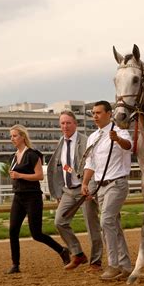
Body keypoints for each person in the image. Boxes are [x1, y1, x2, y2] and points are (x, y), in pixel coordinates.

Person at [6, 124, 69, 274]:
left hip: (32, 197)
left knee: (36, 234)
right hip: (18, 197)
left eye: (14, 136)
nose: (12, 139)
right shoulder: (14, 156)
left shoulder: (33, 154)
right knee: (13, 230)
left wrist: (20, 175)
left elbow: (39, 176)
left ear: (22, 137)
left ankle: (62, 251)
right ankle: (15, 264)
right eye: (11, 136)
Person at [81, 100, 133, 281]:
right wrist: (85, 183)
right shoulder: (93, 137)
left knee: (106, 221)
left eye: (98, 113)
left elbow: (129, 146)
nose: (95, 116)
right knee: (113, 225)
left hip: (117, 183)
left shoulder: (120, 132)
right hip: (101, 187)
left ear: (109, 114)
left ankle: (113, 264)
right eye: (93, 113)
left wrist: (117, 139)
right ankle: (125, 265)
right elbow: (90, 163)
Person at [47, 110, 103, 272]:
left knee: (92, 227)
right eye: (62, 123)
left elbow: (93, 166)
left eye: (68, 123)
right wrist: (58, 192)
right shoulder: (61, 143)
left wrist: (91, 189)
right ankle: (77, 253)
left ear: (75, 124)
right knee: (59, 221)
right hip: (68, 191)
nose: (65, 126)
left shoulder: (86, 141)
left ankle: (96, 262)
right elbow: (58, 169)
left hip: (85, 189)